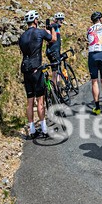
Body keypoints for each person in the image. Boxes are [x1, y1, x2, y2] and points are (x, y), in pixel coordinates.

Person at [19, 10, 56, 139]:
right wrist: (51, 29)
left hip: (25, 69)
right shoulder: (40, 32)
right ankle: (44, 129)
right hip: (37, 68)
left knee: (30, 102)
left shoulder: (22, 36)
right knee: (40, 101)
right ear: (35, 21)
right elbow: (53, 39)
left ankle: (32, 130)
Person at [46, 12, 65, 82]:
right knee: (56, 71)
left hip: (53, 51)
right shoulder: (55, 26)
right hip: (53, 51)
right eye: (60, 20)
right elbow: (50, 27)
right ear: (56, 20)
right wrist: (49, 26)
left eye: (63, 19)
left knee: (55, 70)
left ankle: (56, 89)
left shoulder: (57, 28)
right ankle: (56, 88)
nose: (62, 21)